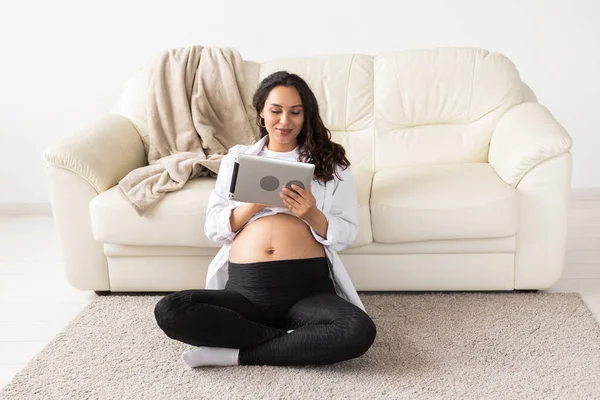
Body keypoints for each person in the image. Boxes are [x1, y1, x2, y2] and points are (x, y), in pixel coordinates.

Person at [154, 71, 377, 367]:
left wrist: (311, 214)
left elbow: (346, 233)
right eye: (276, 111)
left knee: (358, 330)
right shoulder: (237, 158)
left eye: (295, 112)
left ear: (306, 115)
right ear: (261, 113)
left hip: (307, 289)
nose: (285, 121)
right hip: (246, 291)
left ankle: (238, 354)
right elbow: (213, 227)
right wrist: (253, 204)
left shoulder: (331, 163)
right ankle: (294, 341)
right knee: (171, 310)